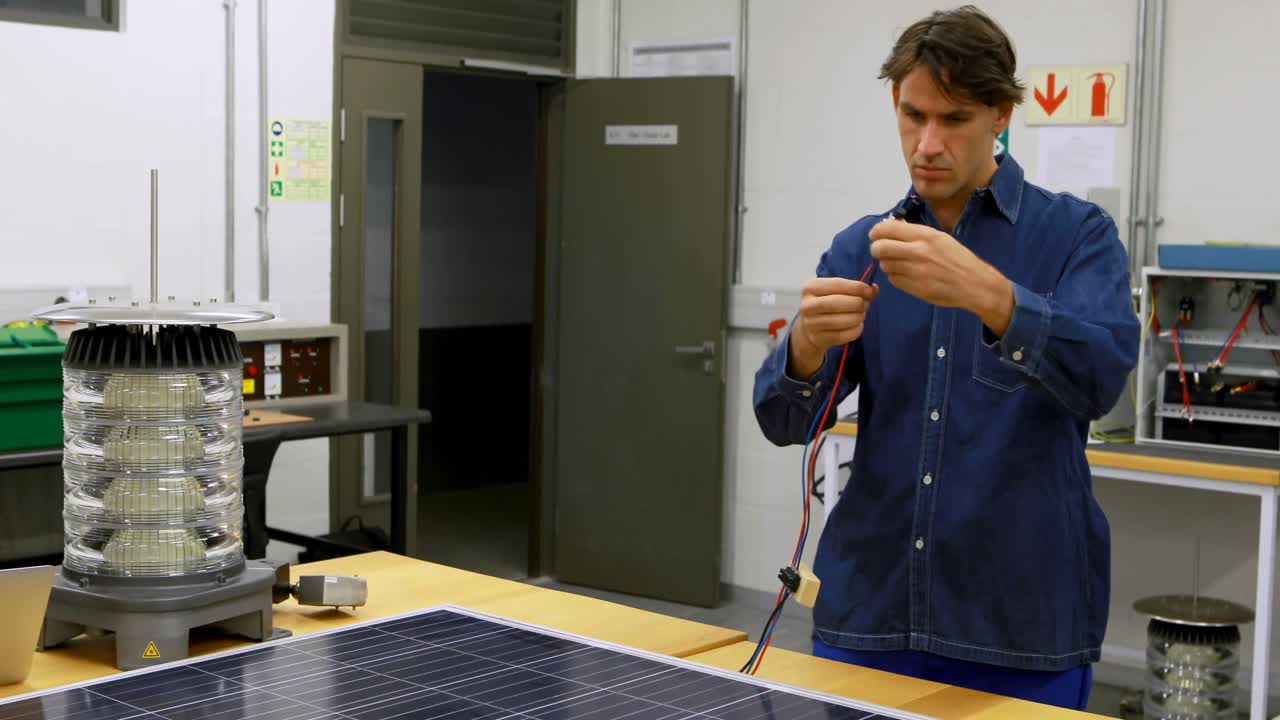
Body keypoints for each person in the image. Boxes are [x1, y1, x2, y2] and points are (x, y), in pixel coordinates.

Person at [752, 5, 1140, 711]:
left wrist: (995, 299)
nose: (927, 143)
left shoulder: (1079, 236)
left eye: (954, 119)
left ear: (999, 114)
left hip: (1017, 627)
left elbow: (1105, 375)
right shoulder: (864, 247)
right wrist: (805, 348)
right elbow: (781, 423)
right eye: (913, 115)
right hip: (870, 616)